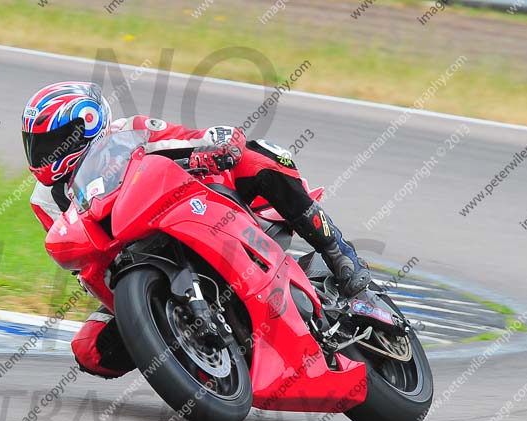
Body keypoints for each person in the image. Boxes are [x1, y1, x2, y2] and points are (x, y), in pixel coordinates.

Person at [22, 81, 371, 379]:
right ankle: (184, 349)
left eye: (53, 141)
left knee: (258, 155)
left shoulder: (130, 131)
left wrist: (213, 146)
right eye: (35, 144)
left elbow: (188, 138)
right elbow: (79, 257)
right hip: (132, 259)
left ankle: (337, 252)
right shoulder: (44, 201)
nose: (42, 154)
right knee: (90, 350)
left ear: (87, 125)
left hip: (201, 209)